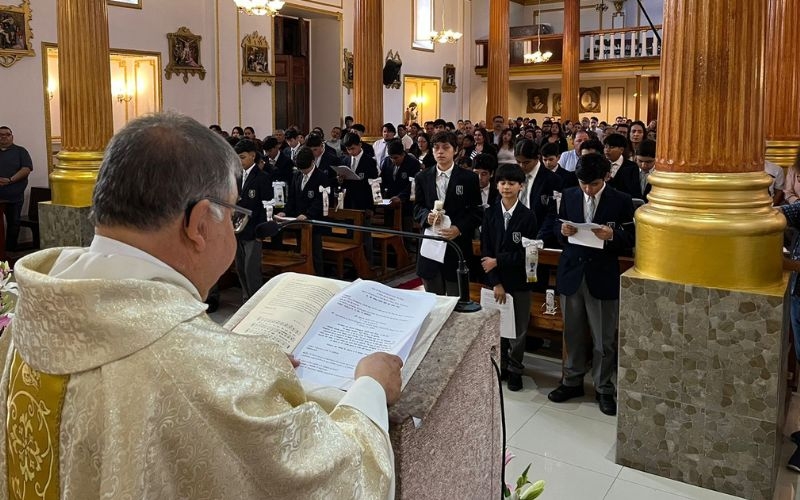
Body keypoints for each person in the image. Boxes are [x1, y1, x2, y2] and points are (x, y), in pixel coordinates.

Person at [0, 112, 400, 498]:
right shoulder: (198, 370)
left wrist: (237, 361)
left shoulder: (33, 313)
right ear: (197, 225)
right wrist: (370, 388)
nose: (234, 226)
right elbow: (342, 482)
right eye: (232, 214)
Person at [548, 153, 635, 416]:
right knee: (572, 333)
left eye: (593, 184)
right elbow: (556, 225)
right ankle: (571, 380)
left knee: (603, 338)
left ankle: (603, 387)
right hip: (573, 272)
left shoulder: (620, 200)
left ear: (606, 177)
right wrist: (562, 232)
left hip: (602, 274)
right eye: (583, 183)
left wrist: (613, 235)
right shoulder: (570, 195)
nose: (588, 189)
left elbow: (631, 235)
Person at [480, 164, 539, 392]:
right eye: (503, 183)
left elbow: (528, 252)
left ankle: (515, 369)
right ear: (497, 185)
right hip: (494, 281)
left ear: (520, 186)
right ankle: (500, 366)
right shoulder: (490, 213)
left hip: (519, 281)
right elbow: (486, 252)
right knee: (498, 326)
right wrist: (495, 281)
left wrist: (499, 260)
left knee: (518, 329)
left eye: (512, 183)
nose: (506, 187)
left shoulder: (528, 216)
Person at [414, 131, 483, 296]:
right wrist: (425, 216)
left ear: (456, 150)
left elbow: (477, 212)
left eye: (445, 148)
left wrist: (458, 228)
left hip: (456, 245)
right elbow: (417, 207)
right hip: (430, 243)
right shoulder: (422, 176)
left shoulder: (469, 178)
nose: (440, 152)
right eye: (436, 148)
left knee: (456, 300)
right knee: (433, 300)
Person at [280, 146, 331, 275]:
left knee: (315, 254)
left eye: (305, 169)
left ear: (312, 162)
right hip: (299, 222)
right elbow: (292, 198)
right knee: (300, 252)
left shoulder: (321, 177)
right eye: (300, 169)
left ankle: (319, 278)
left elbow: (320, 201)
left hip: (315, 222)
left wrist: (308, 214)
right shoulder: (297, 175)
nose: (303, 172)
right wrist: (285, 212)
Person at [233, 139, 272, 300]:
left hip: (254, 230)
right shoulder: (237, 176)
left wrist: (261, 231)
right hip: (238, 228)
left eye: (242, 157)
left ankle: (256, 302)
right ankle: (245, 299)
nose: (239, 161)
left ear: (252, 156)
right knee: (240, 267)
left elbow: (267, 206)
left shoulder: (262, 177)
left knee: (251, 269)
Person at [0, 126, 32, 252]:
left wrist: (10, 180)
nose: (4, 137)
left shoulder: (20, 151)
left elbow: (26, 169)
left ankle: (9, 253)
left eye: (7, 134)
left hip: (14, 196)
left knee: (13, 224)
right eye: (1, 135)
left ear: (12, 137)